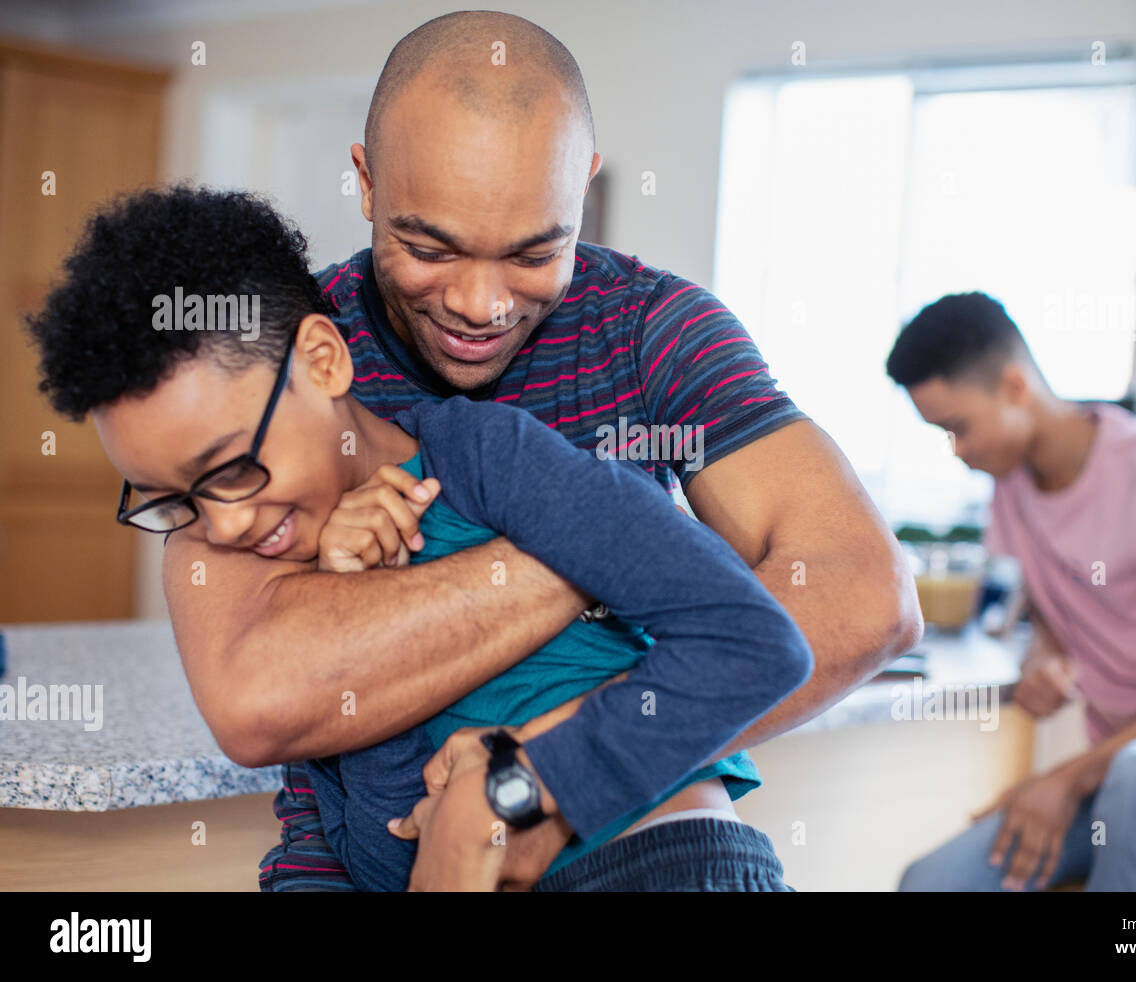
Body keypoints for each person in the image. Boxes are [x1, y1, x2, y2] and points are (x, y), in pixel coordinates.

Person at [153, 10, 921, 890]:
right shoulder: (281, 360)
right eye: (428, 247)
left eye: (534, 253)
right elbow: (257, 691)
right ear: (365, 181)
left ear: (584, 189)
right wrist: (607, 560)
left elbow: (862, 597)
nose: (481, 305)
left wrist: (544, 781)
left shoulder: (652, 331)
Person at [27, 185, 815, 891]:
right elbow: (388, 844)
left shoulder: (488, 455)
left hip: (660, 865)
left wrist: (522, 784)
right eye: (173, 503)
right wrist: (352, 592)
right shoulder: (305, 569)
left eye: (233, 469)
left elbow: (755, 638)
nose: (224, 525)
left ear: (324, 360)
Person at [887, 291, 1136, 891]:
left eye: (958, 428)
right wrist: (1046, 660)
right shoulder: (1013, 492)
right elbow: (1058, 619)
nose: (959, 452)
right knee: (934, 882)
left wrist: (1069, 778)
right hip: (1128, 777)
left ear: (1014, 386)